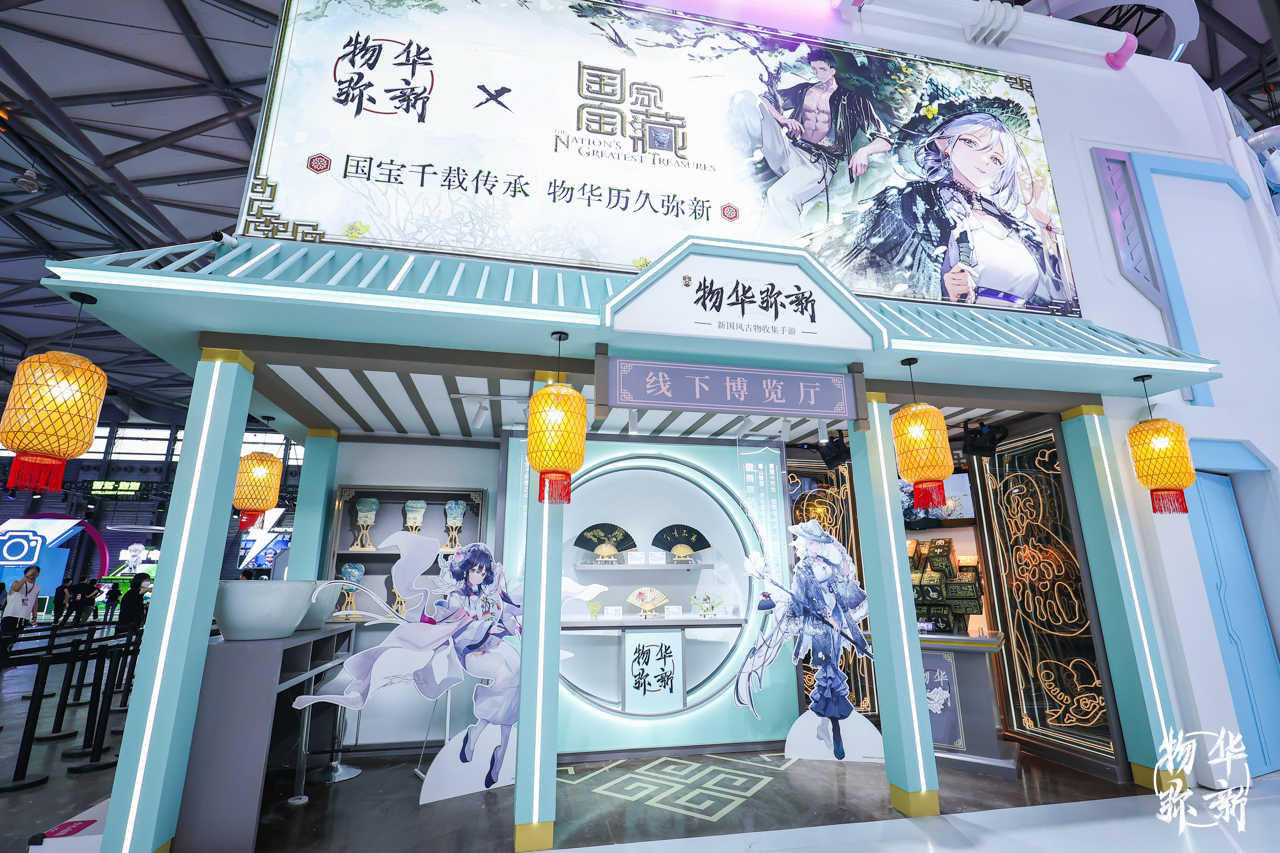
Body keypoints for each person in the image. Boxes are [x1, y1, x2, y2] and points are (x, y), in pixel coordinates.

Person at [845, 80, 1071, 309]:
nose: (985, 161)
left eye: (996, 159)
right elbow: (870, 279)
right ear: (943, 142)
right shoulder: (911, 203)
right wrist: (944, 294)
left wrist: (1044, 222)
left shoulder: (1009, 222)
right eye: (972, 143)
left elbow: (1063, 295)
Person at [732, 47, 890, 232]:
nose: (817, 74)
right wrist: (782, 119)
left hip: (818, 164)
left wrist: (864, 151)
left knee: (779, 196)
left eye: (822, 69)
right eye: (814, 69)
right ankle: (741, 152)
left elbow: (884, 139)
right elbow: (764, 99)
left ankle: (790, 243)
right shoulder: (803, 90)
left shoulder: (852, 100)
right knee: (747, 99)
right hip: (790, 149)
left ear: (833, 70)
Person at [2, 565, 41, 658]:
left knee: (13, 640)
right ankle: (3, 659)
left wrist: (35, 616)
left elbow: (35, 602)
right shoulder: (17, 583)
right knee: (4, 639)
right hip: (10, 616)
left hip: (24, 618)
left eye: (35, 572)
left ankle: (5, 659)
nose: (33, 573)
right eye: (31, 571)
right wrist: (26, 578)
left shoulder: (37, 587)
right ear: (26, 573)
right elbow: (16, 589)